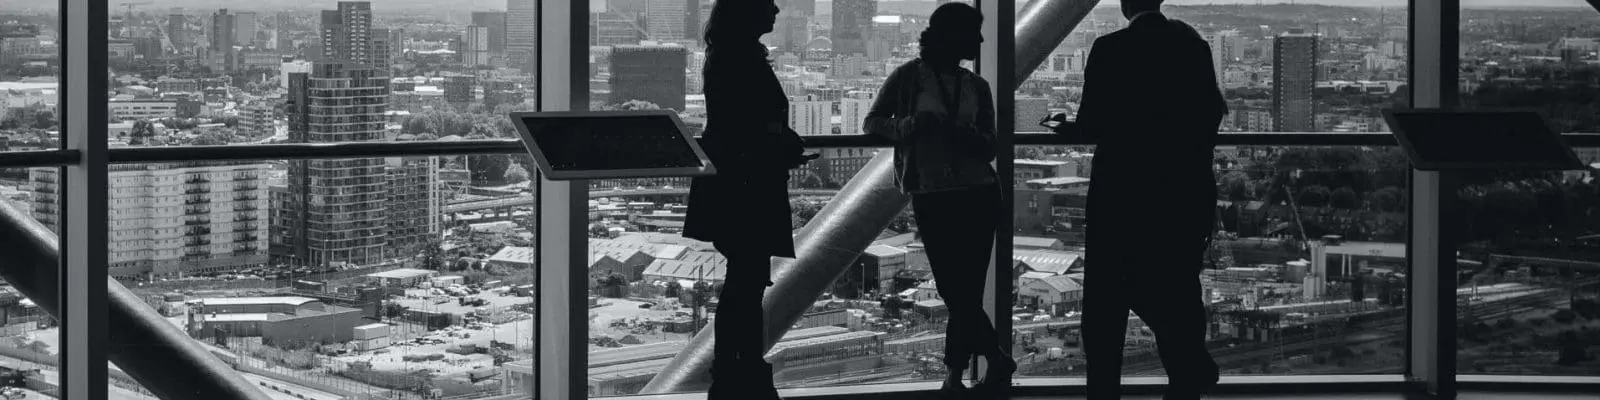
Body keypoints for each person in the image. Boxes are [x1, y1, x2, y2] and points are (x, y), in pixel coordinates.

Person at [1068, 0, 1228, 399]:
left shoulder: (1109, 48)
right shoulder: (1194, 48)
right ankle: (1188, 373)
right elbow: (1209, 116)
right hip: (1182, 195)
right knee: (1177, 288)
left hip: (1120, 195)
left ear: (1125, 6)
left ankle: (1106, 392)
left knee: (1106, 308)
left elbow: (1091, 124)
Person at [863, 3, 1014, 398]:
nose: (981, 41)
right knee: (958, 290)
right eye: (973, 33)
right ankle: (992, 361)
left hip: (975, 195)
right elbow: (873, 123)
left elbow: (989, 146)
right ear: (953, 36)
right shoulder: (909, 79)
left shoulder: (975, 86)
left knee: (961, 290)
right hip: (941, 195)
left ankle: (956, 377)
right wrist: (913, 125)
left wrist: (957, 132)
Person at [681, 1, 814, 399]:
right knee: (746, 282)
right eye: (767, 3)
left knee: (744, 280)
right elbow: (750, 123)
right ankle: (740, 368)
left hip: (737, 181)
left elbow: (736, 122)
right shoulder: (742, 58)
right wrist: (780, 146)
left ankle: (734, 368)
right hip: (749, 184)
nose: (775, 9)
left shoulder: (727, 56)